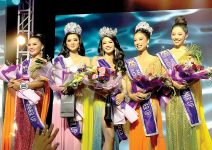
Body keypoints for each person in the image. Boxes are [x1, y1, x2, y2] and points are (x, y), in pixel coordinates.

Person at [156, 16, 212, 150]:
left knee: (189, 132)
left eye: (179, 34)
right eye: (173, 34)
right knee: (174, 132)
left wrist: (189, 81)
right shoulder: (165, 55)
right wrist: (172, 83)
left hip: (188, 99)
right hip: (173, 100)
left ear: (186, 35)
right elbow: (161, 77)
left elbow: (198, 75)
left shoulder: (191, 54)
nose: (176, 37)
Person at [1, 34, 51, 150]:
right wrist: (13, 83)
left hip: (34, 100)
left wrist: (21, 86)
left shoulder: (42, 62)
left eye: (34, 44)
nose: (31, 47)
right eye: (29, 44)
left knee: (31, 131)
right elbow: (20, 80)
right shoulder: (25, 63)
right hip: (21, 100)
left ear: (42, 46)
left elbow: (40, 83)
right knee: (21, 132)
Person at [50, 22, 93, 150]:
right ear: (65, 43)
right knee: (63, 131)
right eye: (69, 40)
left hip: (80, 100)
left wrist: (80, 86)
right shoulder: (59, 59)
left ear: (79, 41)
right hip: (62, 100)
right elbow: (53, 81)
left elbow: (90, 83)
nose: (72, 42)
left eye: (75, 39)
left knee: (78, 137)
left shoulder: (86, 60)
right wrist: (61, 88)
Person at [125, 22, 166, 150]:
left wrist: (151, 89)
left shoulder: (156, 60)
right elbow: (127, 84)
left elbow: (161, 82)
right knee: (137, 137)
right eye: (135, 40)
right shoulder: (131, 63)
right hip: (136, 105)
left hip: (151, 103)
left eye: (140, 39)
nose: (137, 42)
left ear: (148, 40)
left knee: (150, 139)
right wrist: (132, 94)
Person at [91, 26, 126, 150]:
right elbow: (91, 82)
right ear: (101, 45)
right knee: (109, 136)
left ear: (115, 43)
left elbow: (124, 84)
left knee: (112, 137)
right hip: (102, 103)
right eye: (104, 42)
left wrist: (122, 95)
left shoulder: (119, 62)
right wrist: (102, 91)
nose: (107, 45)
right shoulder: (96, 60)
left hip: (115, 105)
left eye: (110, 42)